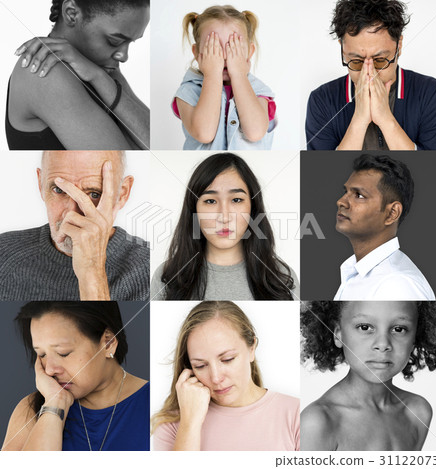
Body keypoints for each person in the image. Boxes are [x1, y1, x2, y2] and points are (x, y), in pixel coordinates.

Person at [300, 300, 436, 451]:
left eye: (399, 329)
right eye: (365, 327)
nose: (383, 344)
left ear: (414, 339)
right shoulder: (318, 422)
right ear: (338, 334)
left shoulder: (417, 412)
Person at [0, 150, 149, 301]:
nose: (71, 214)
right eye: (59, 190)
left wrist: (92, 272)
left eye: (93, 194)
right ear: (40, 184)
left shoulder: (147, 269)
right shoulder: (3, 253)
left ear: (122, 194)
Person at [152, 301, 299, 451]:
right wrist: (190, 424)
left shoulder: (295, 415)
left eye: (227, 359)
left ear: (252, 348)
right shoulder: (172, 425)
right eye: (200, 366)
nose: (216, 378)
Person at [2, 301, 149, 451]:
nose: (50, 370)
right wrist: (55, 405)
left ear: (108, 342)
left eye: (63, 353)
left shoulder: (155, 402)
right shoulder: (31, 409)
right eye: (42, 354)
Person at [150, 153, 299, 300]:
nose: (224, 217)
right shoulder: (167, 278)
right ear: (194, 210)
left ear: (252, 208)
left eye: (236, 200)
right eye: (210, 201)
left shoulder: (283, 279)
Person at [305, 0, 436, 150]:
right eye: (356, 61)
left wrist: (386, 120)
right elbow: (321, 173)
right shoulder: (321, 100)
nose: (369, 73)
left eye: (380, 60)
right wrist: (359, 120)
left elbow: (434, 171)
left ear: (398, 46)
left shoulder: (431, 93)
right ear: (343, 50)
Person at [6, 0, 150, 150]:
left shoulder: (101, 69)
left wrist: (98, 76)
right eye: (114, 41)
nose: (124, 56)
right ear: (71, 13)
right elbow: (126, 167)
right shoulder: (47, 72)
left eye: (130, 42)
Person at [173, 5, 276, 150]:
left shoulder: (258, 90)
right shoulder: (187, 91)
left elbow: (256, 132)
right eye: (214, 48)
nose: (224, 56)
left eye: (233, 47)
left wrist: (239, 75)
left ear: (249, 52)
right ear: (197, 53)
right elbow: (204, 133)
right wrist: (212, 75)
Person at [334, 153, 434, 300]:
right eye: (346, 192)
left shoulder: (397, 285)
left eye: (359, 195)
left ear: (392, 213)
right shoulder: (360, 272)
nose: (341, 201)